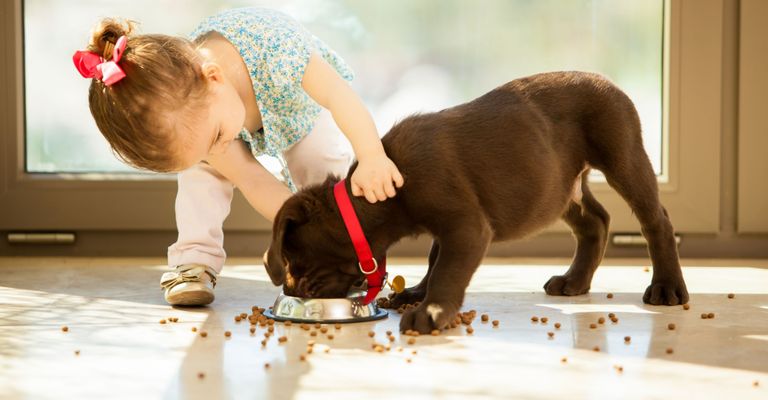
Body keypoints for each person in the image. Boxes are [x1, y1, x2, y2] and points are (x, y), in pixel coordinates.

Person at [72, 7, 404, 306]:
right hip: (219, 114)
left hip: (297, 108)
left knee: (320, 160)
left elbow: (337, 94)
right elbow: (251, 178)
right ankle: (194, 260)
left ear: (214, 77)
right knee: (201, 177)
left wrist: (372, 154)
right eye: (204, 149)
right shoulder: (200, 117)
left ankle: (338, 254)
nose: (217, 151)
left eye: (215, 138)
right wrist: (293, 232)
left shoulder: (278, 50)